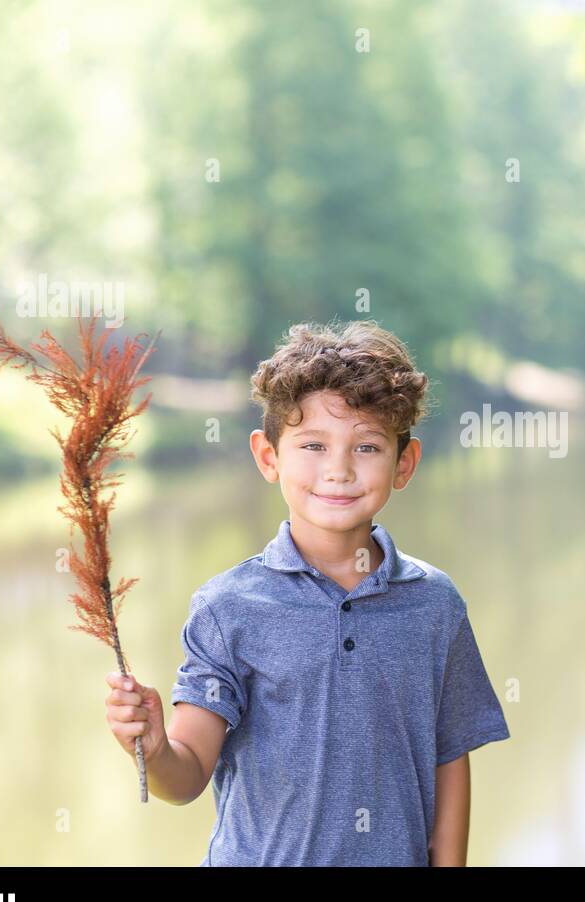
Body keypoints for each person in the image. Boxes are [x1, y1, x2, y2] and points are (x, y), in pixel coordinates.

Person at [104, 320, 511, 865]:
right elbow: (187, 775)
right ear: (269, 457)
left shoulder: (435, 604)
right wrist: (154, 749)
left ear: (404, 463)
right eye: (313, 445)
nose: (338, 470)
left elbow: (450, 756)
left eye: (366, 446)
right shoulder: (228, 608)